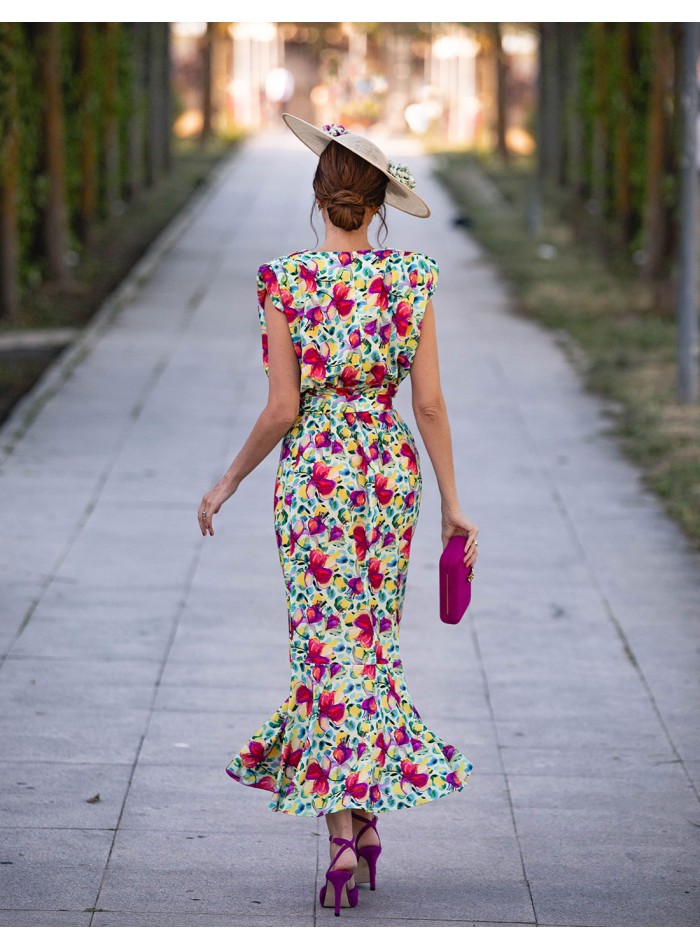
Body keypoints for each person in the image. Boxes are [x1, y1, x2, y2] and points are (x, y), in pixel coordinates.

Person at [197, 114, 479, 917]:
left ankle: (341, 841)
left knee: (325, 654)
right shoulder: (411, 278)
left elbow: (283, 407)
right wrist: (455, 504)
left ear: (319, 198)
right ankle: (368, 816)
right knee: (372, 645)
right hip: (387, 474)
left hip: (316, 475)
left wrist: (229, 481)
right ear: (381, 205)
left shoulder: (284, 278)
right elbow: (427, 403)